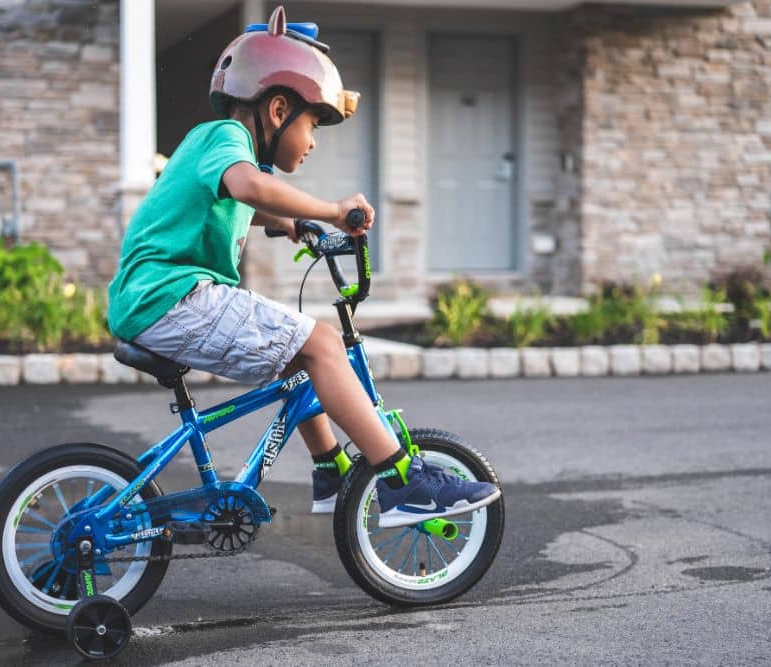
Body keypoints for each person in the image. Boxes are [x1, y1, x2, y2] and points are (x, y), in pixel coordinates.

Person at [107, 6, 499, 528]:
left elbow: (239, 197)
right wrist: (331, 209)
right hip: (170, 298)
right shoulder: (226, 139)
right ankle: (405, 483)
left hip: (159, 300)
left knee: (298, 354)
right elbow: (247, 186)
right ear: (277, 110)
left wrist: (290, 225)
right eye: (313, 123)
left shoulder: (222, 150)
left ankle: (331, 470)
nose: (313, 140)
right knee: (319, 343)